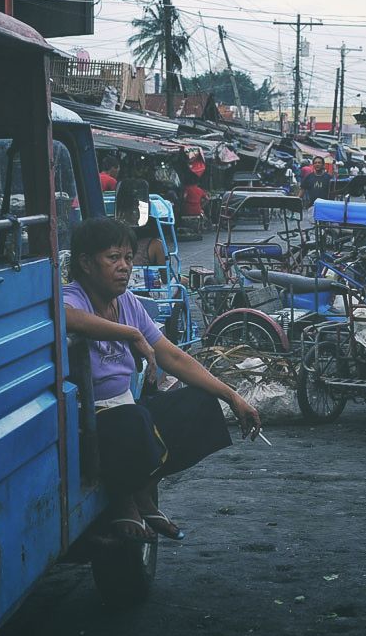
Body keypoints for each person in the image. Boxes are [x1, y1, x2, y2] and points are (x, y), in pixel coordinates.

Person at [63, 218, 261, 543]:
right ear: (85, 262)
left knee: (200, 402)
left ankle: (141, 488)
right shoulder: (74, 296)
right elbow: (65, 315)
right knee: (134, 418)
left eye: (128, 257)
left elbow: (174, 357)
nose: (124, 267)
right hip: (91, 421)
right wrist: (129, 333)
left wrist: (233, 397)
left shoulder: (126, 301)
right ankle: (124, 498)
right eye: (113, 258)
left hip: (127, 414)